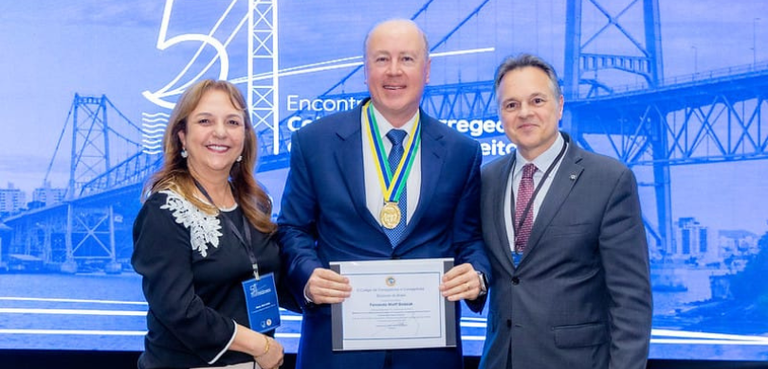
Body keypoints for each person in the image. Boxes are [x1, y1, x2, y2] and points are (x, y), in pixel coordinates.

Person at [277, 19, 491, 369]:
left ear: (427, 70)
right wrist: (308, 275)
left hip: (429, 352)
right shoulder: (314, 142)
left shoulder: (461, 150)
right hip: (335, 349)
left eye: (407, 59)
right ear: (365, 69)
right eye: (381, 59)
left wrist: (477, 274)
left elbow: (469, 239)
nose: (394, 72)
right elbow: (292, 229)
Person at [478, 54, 652, 369]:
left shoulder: (610, 179)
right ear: (500, 115)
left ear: (560, 105)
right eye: (511, 105)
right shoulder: (486, 179)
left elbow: (631, 301)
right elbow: (484, 265)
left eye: (537, 100)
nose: (525, 113)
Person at [132, 79, 291, 369]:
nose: (220, 132)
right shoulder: (164, 210)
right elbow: (178, 310)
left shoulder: (255, 204)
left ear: (245, 137)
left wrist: (317, 286)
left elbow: (268, 278)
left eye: (233, 122)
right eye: (205, 120)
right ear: (182, 135)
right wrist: (260, 344)